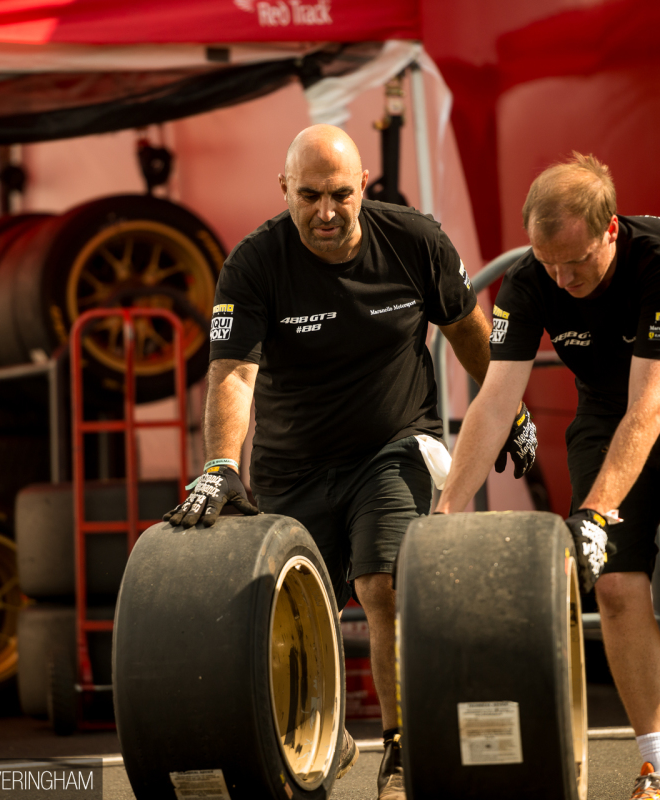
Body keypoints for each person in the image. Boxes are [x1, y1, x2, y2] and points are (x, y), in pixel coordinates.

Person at [164, 124, 537, 800]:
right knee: (293, 610)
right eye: (309, 196)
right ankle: (325, 733)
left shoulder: (416, 241)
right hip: (293, 463)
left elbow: (466, 329)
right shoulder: (254, 263)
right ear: (284, 189)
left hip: (393, 444)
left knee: (382, 582)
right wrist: (220, 465)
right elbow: (234, 375)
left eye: (340, 194)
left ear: (363, 185)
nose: (327, 212)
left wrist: (508, 409)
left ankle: (402, 750)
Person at [436, 153, 660, 800]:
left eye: (576, 262)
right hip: (606, 410)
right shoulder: (531, 281)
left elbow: (651, 408)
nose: (562, 279)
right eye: (547, 263)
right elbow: (496, 400)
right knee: (614, 585)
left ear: (610, 229)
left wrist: (594, 513)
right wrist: (445, 513)